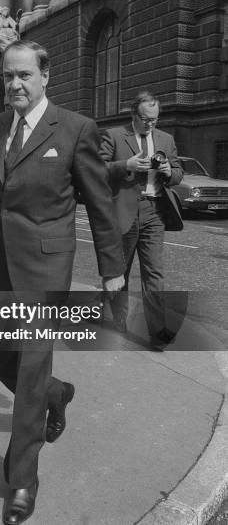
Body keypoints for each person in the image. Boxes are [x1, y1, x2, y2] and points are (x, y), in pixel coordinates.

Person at [0, 40, 125, 524]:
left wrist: (112, 268)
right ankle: (55, 395)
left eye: (25, 76)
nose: (15, 84)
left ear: (45, 77)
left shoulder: (75, 129)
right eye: (9, 77)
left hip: (44, 267)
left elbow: (99, 203)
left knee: (31, 368)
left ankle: (22, 480)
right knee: (1, 362)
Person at [99, 90, 183, 349]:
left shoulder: (165, 139)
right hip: (124, 212)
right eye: (146, 119)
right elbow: (96, 170)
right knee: (119, 271)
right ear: (134, 115)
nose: (151, 124)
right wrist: (126, 165)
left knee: (154, 274)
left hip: (155, 211)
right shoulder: (114, 135)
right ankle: (118, 318)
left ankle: (157, 334)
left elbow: (179, 171)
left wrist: (170, 172)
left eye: (155, 120)